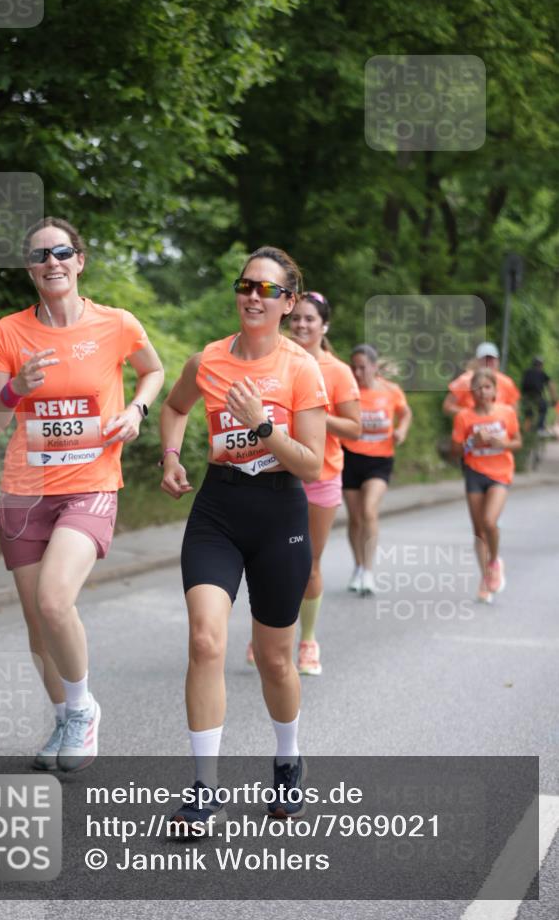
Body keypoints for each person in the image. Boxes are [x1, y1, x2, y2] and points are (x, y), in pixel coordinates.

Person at [0, 216, 164, 771]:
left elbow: (152, 371)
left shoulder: (117, 324)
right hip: (24, 491)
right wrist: (17, 388)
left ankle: (83, 712)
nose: (51, 262)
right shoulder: (8, 332)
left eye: (62, 252)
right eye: (40, 255)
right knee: (39, 620)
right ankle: (63, 718)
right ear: (30, 270)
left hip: (91, 485)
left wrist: (136, 410)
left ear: (79, 260)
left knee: (56, 599)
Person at [159, 246, 328, 829]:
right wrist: (171, 455)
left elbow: (310, 464)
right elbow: (175, 407)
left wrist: (262, 424)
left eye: (267, 290)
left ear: (289, 303)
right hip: (219, 509)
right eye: (245, 285)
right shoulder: (207, 359)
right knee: (206, 642)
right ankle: (205, 788)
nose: (253, 297)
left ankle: (288, 757)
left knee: (276, 662)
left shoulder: (302, 368)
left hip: (280, 514)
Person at [245, 291, 361, 676]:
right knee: (265, 561)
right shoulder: (273, 361)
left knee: (308, 564)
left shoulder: (338, 371)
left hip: (320, 475)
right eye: (297, 320)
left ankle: (307, 641)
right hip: (274, 473)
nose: (302, 326)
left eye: (311, 320)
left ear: (324, 325)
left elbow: (355, 428)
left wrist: (312, 414)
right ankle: (266, 632)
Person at [341, 344, 412, 595]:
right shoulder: (348, 391)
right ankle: (358, 566)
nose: (358, 372)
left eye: (362, 367)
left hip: (380, 460)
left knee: (369, 510)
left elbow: (405, 413)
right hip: (350, 457)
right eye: (354, 367)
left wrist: (401, 429)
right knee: (355, 518)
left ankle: (369, 572)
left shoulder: (390, 390)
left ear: (374, 366)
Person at [450, 368, 521, 602]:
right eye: (477, 388)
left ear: (494, 390)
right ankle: (485, 579)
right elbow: (456, 451)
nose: (482, 391)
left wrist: (503, 443)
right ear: (472, 392)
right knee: (479, 530)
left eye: (487, 387)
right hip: (474, 473)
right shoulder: (464, 417)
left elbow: (517, 442)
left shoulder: (506, 412)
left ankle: (494, 561)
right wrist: (472, 441)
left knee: (490, 521)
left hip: (500, 472)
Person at [443, 342, 520, 416]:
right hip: (470, 426)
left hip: (498, 427)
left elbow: (514, 410)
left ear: (497, 361)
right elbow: (447, 406)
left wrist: (499, 417)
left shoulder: (507, 382)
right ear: (477, 361)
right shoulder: (465, 381)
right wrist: (471, 415)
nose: (488, 362)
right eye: (485, 359)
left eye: (491, 359)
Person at [521, 356, 557, 434]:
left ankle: (525, 432)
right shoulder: (542, 373)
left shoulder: (527, 372)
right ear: (541, 365)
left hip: (525, 397)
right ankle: (540, 428)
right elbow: (551, 386)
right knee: (543, 408)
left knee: (528, 414)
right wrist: (554, 400)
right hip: (536, 396)